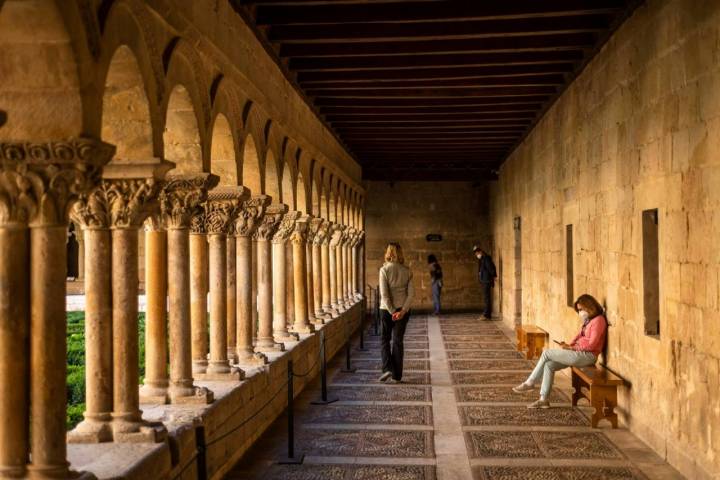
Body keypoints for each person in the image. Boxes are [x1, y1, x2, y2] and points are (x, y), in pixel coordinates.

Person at [512, 294, 608, 408]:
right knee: (549, 365)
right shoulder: (589, 321)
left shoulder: (599, 321)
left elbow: (592, 344)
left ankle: (530, 382)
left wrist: (572, 348)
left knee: (547, 353)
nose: (580, 312)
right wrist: (569, 345)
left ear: (589, 306)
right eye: (579, 310)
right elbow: (580, 336)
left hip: (587, 356)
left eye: (581, 309)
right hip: (579, 353)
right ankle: (544, 399)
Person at [378, 242, 414, 384]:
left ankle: (387, 367)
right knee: (398, 341)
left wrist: (393, 311)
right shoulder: (407, 271)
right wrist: (402, 311)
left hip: (387, 310)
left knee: (384, 340)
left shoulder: (384, 270)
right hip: (402, 311)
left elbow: (384, 295)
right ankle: (397, 375)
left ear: (388, 253)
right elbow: (411, 294)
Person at [473, 246, 496, 320]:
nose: (477, 255)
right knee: (486, 298)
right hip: (484, 280)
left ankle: (487, 315)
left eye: (477, 254)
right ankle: (487, 314)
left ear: (480, 252)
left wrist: (494, 276)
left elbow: (491, 268)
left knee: (487, 298)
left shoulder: (486, 258)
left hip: (487, 281)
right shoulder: (483, 258)